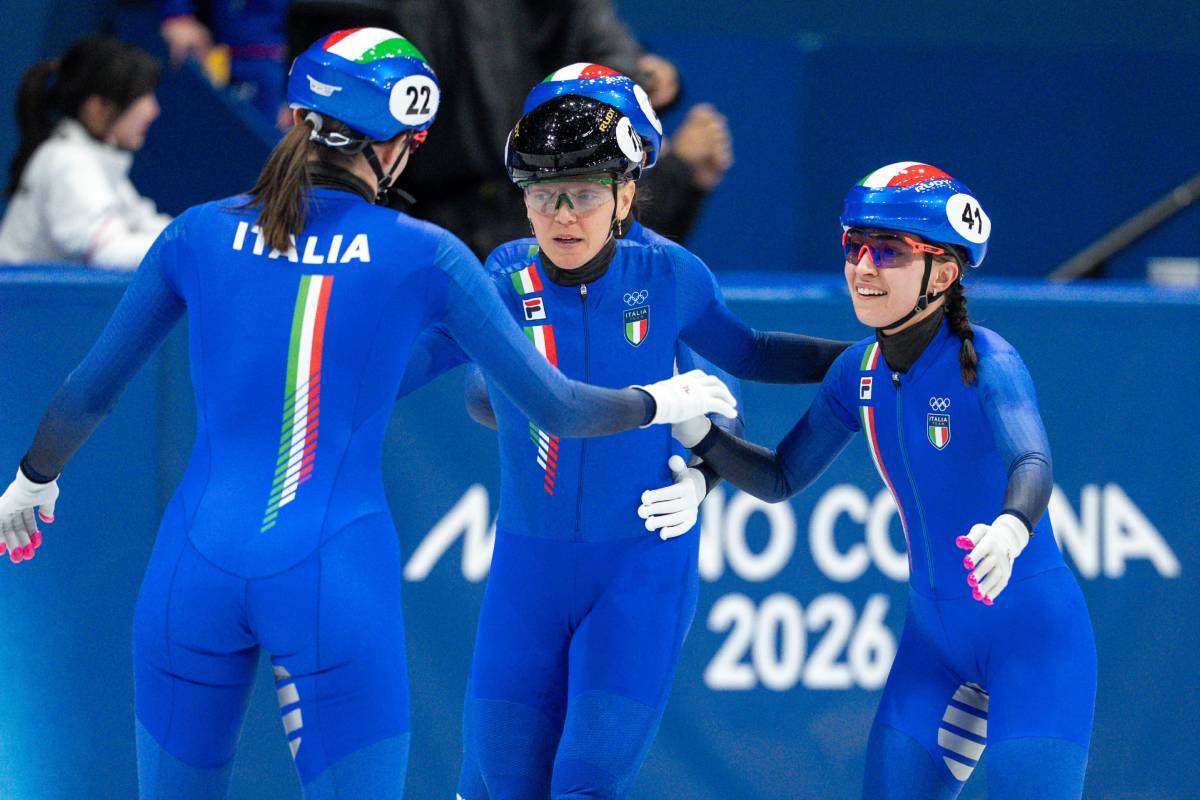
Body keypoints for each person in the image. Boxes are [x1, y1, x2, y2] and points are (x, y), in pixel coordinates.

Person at [0, 29, 738, 800]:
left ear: (295, 119)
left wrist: (31, 480)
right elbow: (554, 404)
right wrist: (660, 401)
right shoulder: (427, 253)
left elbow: (89, 389)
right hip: (331, 571)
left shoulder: (198, 231)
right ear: (394, 147)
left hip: (189, 568)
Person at [385, 66, 848, 799]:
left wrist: (869, 358)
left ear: (626, 195)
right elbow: (439, 374)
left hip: (639, 567)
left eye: (585, 193)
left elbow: (743, 368)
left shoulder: (668, 275)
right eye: (543, 194)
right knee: (498, 782)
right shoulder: (504, 274)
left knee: (586, 780)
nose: (563, 216)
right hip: (529, 568)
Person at [670, 163, 1098, 799]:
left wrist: (1011, 528)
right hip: (934, 647)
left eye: (890, 250)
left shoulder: (991, 361)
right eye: (855, 246)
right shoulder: (857, 373)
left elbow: (1031, 462)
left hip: (1035, 643)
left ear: (943, 274)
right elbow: (781, 477)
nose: (864, 266)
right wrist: (698, 435)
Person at [0, 36, 170, 270]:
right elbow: (109, 250)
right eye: (140, 96)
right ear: (96, 107)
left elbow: (143, 223)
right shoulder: (69, 160)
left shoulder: (90, 157)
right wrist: (189, 248)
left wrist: (200, 234)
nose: (153, 110)